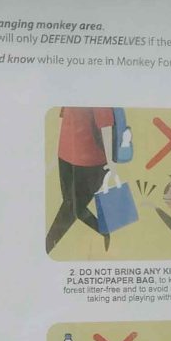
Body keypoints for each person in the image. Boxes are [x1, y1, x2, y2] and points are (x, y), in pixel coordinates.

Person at [45, 106, 116, 254]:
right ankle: (103, 230)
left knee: (72, 208)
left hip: (91, 160)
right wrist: (55, 154)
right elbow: (63, 118)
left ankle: (46, 247)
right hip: (65, 155)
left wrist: (111, 162)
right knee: (70, 205)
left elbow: (106, 126)